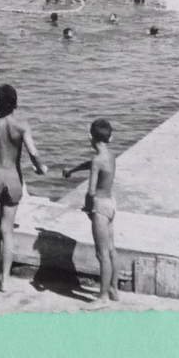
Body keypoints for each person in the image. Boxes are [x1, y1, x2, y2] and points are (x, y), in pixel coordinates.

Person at [0, 84, 48, 291]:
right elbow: (33, 152)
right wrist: (40, 166)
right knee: (7, 230)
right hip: (13, 178)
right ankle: (5, 280)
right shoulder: (22, 126)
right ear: (15, 103)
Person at [62, 118, 119, 302]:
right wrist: (73, 170)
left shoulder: (96, 160)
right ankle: (113, 290)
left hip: (100, 208)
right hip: (111, 204)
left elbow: (91, 190)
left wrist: (87, 208)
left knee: (101, 254)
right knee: (111, 250)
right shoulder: (111, 155)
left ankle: (102, 297)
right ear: (110, 138)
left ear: (90, 137)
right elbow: (94, 165)